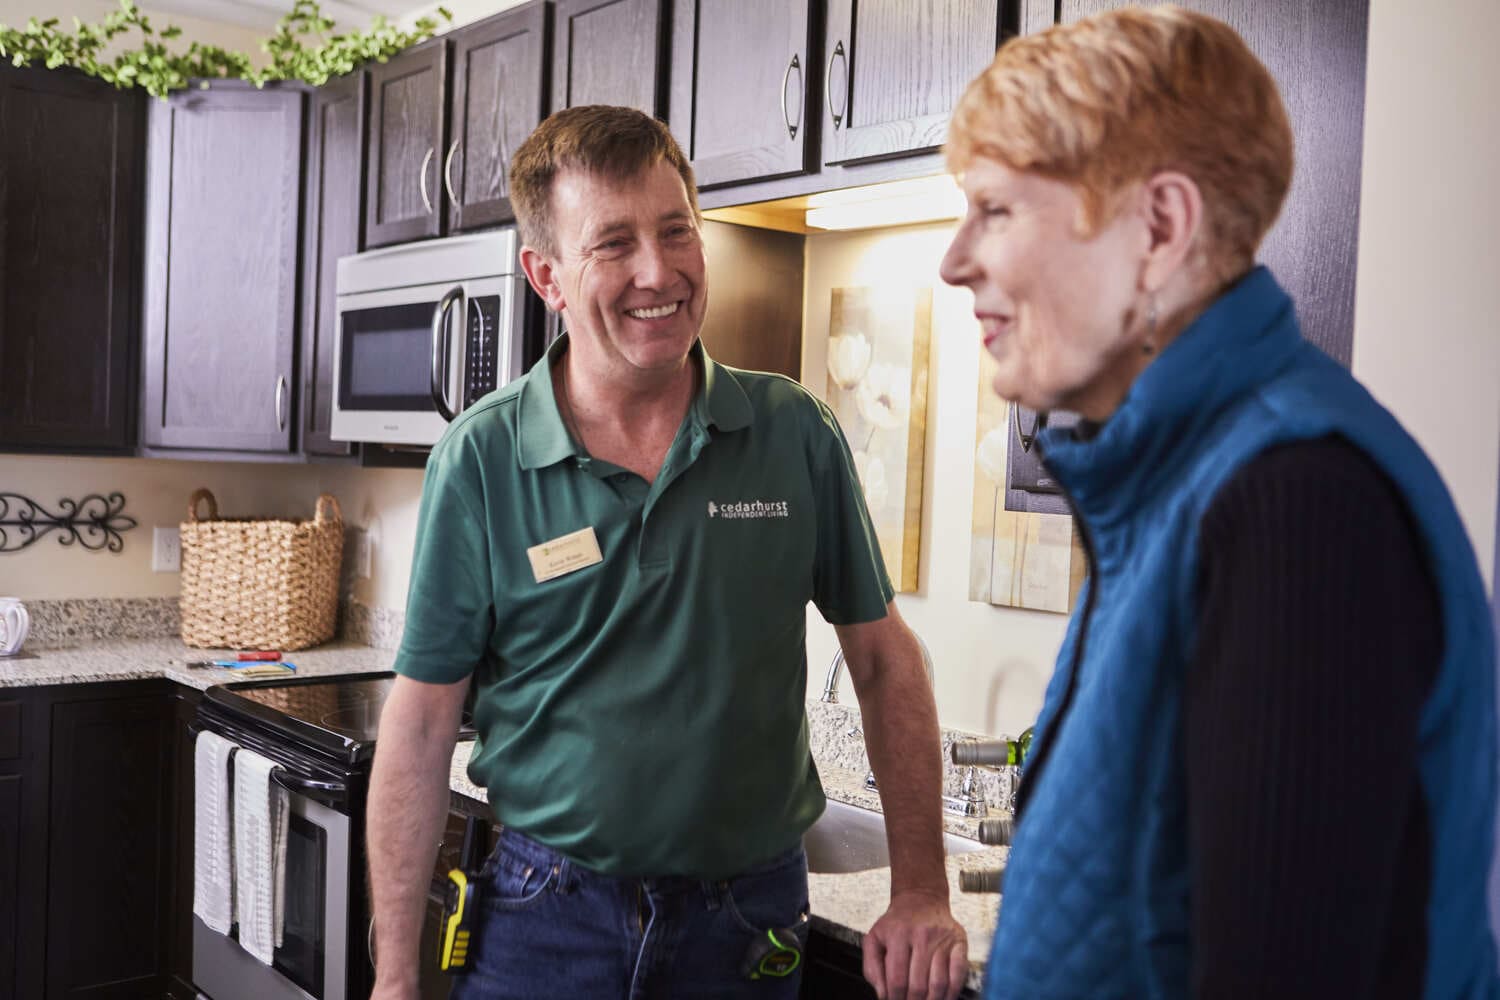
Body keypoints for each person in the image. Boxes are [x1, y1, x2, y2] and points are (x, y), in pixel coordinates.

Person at [938, 6, 1498, 998]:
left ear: (1159, 228)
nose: (955, 259)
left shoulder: (1298, 511)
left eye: (995, 210)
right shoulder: (1179, 489)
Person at [366, 105, 968, 1000]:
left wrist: (921, 886)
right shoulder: (483, 457)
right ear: (548, 276)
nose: (660, 270)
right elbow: (419, 726)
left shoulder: (792, 432)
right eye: (612, 244)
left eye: (676, 229)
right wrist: (395, 977)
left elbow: (882, 661)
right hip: (544, 920)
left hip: (748, 923)